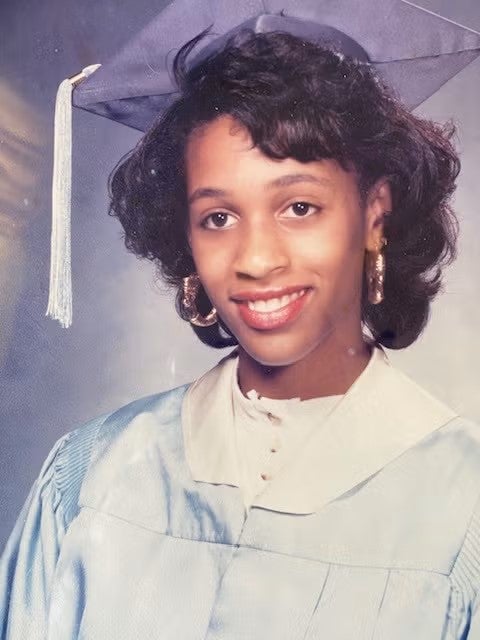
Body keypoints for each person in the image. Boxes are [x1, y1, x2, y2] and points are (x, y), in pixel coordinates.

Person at [1, 1, 480, 638]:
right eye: (218, 217)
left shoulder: (462, 504)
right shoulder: (95, 472)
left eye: (299, 206)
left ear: (374, 213)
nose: (255, 260)